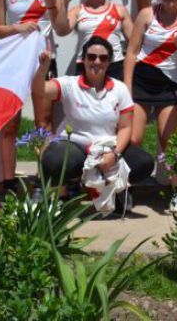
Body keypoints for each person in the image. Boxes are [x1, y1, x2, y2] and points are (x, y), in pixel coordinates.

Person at [32, 37, 155, 213]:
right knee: (53, 160)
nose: (97, 61)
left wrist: (115, 154)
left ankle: (115, 191)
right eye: (91, 57)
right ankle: (61, 195)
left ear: (109, 62)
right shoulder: (69, 83)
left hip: (108, 147)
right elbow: (39, 90)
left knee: (144, 163)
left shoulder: (120, 89)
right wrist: (43, 69)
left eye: (103, 58)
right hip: (76, 145)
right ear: (83, 59)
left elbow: (126, 127)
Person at [0, 0, 70, 196]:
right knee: (9, 125)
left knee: (43, 121)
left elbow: (61, 28)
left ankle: (42, 180)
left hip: (43, 58)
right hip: (13, 60)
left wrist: (51, 6)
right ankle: (7, 184)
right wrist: (16, 28)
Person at [123, 0, 177, 205]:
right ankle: (125, 189)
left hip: (170, 85)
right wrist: (127, 88)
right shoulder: (146, 14)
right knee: (133, 139)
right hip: (141, 81)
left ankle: (176, 191)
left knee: (169, 140)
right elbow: (131, 52)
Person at [65, 0, 132, 79]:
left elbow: (134, 44)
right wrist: (65, 1)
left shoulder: (120, 10)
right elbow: (62, 30)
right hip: (85, 65)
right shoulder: (76, 10)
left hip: (114, 66)